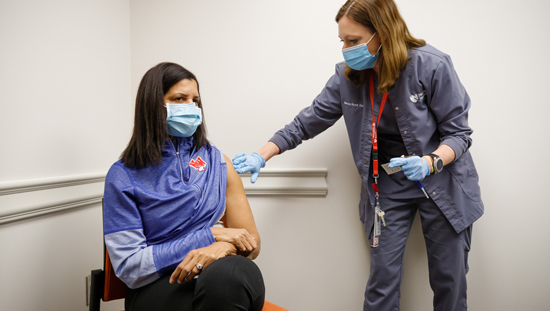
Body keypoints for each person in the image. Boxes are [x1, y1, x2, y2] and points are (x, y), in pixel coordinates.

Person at [232, 1, 483, 310]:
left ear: (383, 33)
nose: (346, 49)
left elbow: (459, 134)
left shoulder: (431, 65)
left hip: (440, 181)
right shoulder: (347, 77)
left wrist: (430, 161)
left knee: (449, 280)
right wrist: (262, 155)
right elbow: (305, 123)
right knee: (382, 283)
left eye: (353, 41)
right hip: (388, 186)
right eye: (342, 41)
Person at [103, 62, 265, 311]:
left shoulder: (219, 162)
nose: (191, 108)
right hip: (158, 285)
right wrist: (210, 235)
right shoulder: (123, 174)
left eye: (195, 101)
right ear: (153, 105)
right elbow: (130, 267)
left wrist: (221, 246)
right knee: (224, 292)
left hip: (218, 276)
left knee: (232, 275)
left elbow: (251, 242)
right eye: (180, 99)